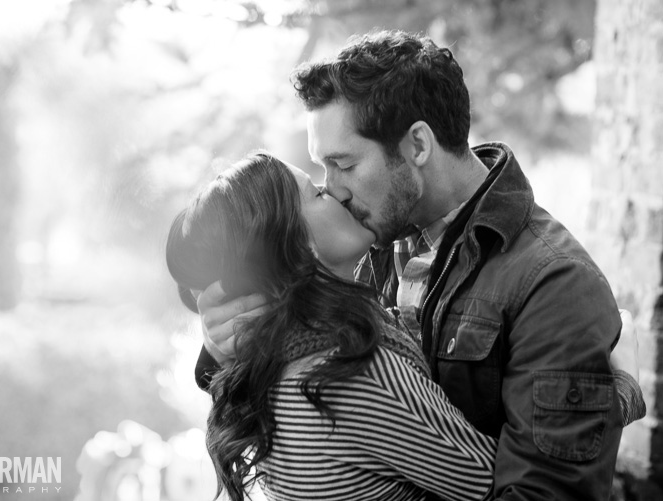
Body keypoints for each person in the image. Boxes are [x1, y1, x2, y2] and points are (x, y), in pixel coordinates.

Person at [193, 30, 646, 500]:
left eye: (343, 164)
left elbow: (548, 493)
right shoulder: (366, 241)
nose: (334, 190)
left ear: (418, 146)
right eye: (322, 169)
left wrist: (601, 407)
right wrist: (220, 344)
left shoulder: (552, 281)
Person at [167, 152, 499, 501]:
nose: (338, 193)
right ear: (296, 246)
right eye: (317, 193)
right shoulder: (348, 372)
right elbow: (489, 480)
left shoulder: (275, 373)